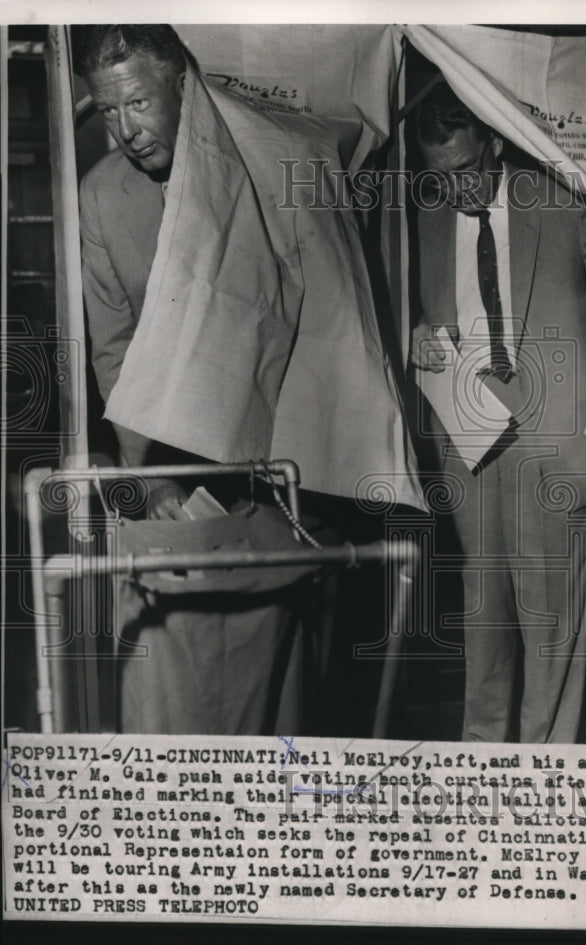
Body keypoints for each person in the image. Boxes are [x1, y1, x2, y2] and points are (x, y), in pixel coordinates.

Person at [75, 24, 308, 735]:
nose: (124, 130)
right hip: (170, 464)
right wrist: (154, 482)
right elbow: (113, 353)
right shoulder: (101, 198)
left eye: (138, 103)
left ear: (182, 85)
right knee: (169, 680)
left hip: (277, 460)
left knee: (284, 682)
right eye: (109, 111)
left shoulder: (262, 168)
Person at [411, 80, 586, 744]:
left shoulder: (561, 203)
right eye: (440, 178)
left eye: (468, 171)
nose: (460, 190)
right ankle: (480, 767)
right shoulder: (427, 217)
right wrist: (411, 334)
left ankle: (542, 775)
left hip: (551, 445)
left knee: (549, 628)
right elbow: (412, 315)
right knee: (485, 621)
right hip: (472, 441)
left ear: (495, 143)